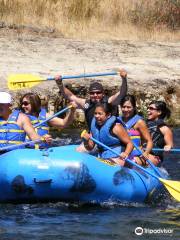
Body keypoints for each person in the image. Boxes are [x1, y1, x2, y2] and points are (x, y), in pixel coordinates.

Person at [55, 69, 128, 130]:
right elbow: (70, 96)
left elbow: (122, 93)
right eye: (92, 93)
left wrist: (124, 79)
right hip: (94, 138)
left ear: (103, 93)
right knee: (79, 148)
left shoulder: (109, 101)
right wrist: (59, 84)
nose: (95, 95)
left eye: (98, 93)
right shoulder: (86, 104)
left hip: (110, 137)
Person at [117, 95, 153, 166]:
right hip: (120, 154)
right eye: (124, 107)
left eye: (129, 107)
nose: (126, 109)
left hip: (136, 156)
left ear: (134, 108)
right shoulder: (117, 121)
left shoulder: (139, 122)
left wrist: (146, 152)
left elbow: (149, 141)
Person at [146, 100, 173, 164]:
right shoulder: (143, 125)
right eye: (148, 108)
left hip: (155, 157)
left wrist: (168, 146)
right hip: (143, 152)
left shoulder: (165, 129)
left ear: (159, 112)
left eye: (151, 108)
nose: (147, 110)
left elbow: (170, 145)